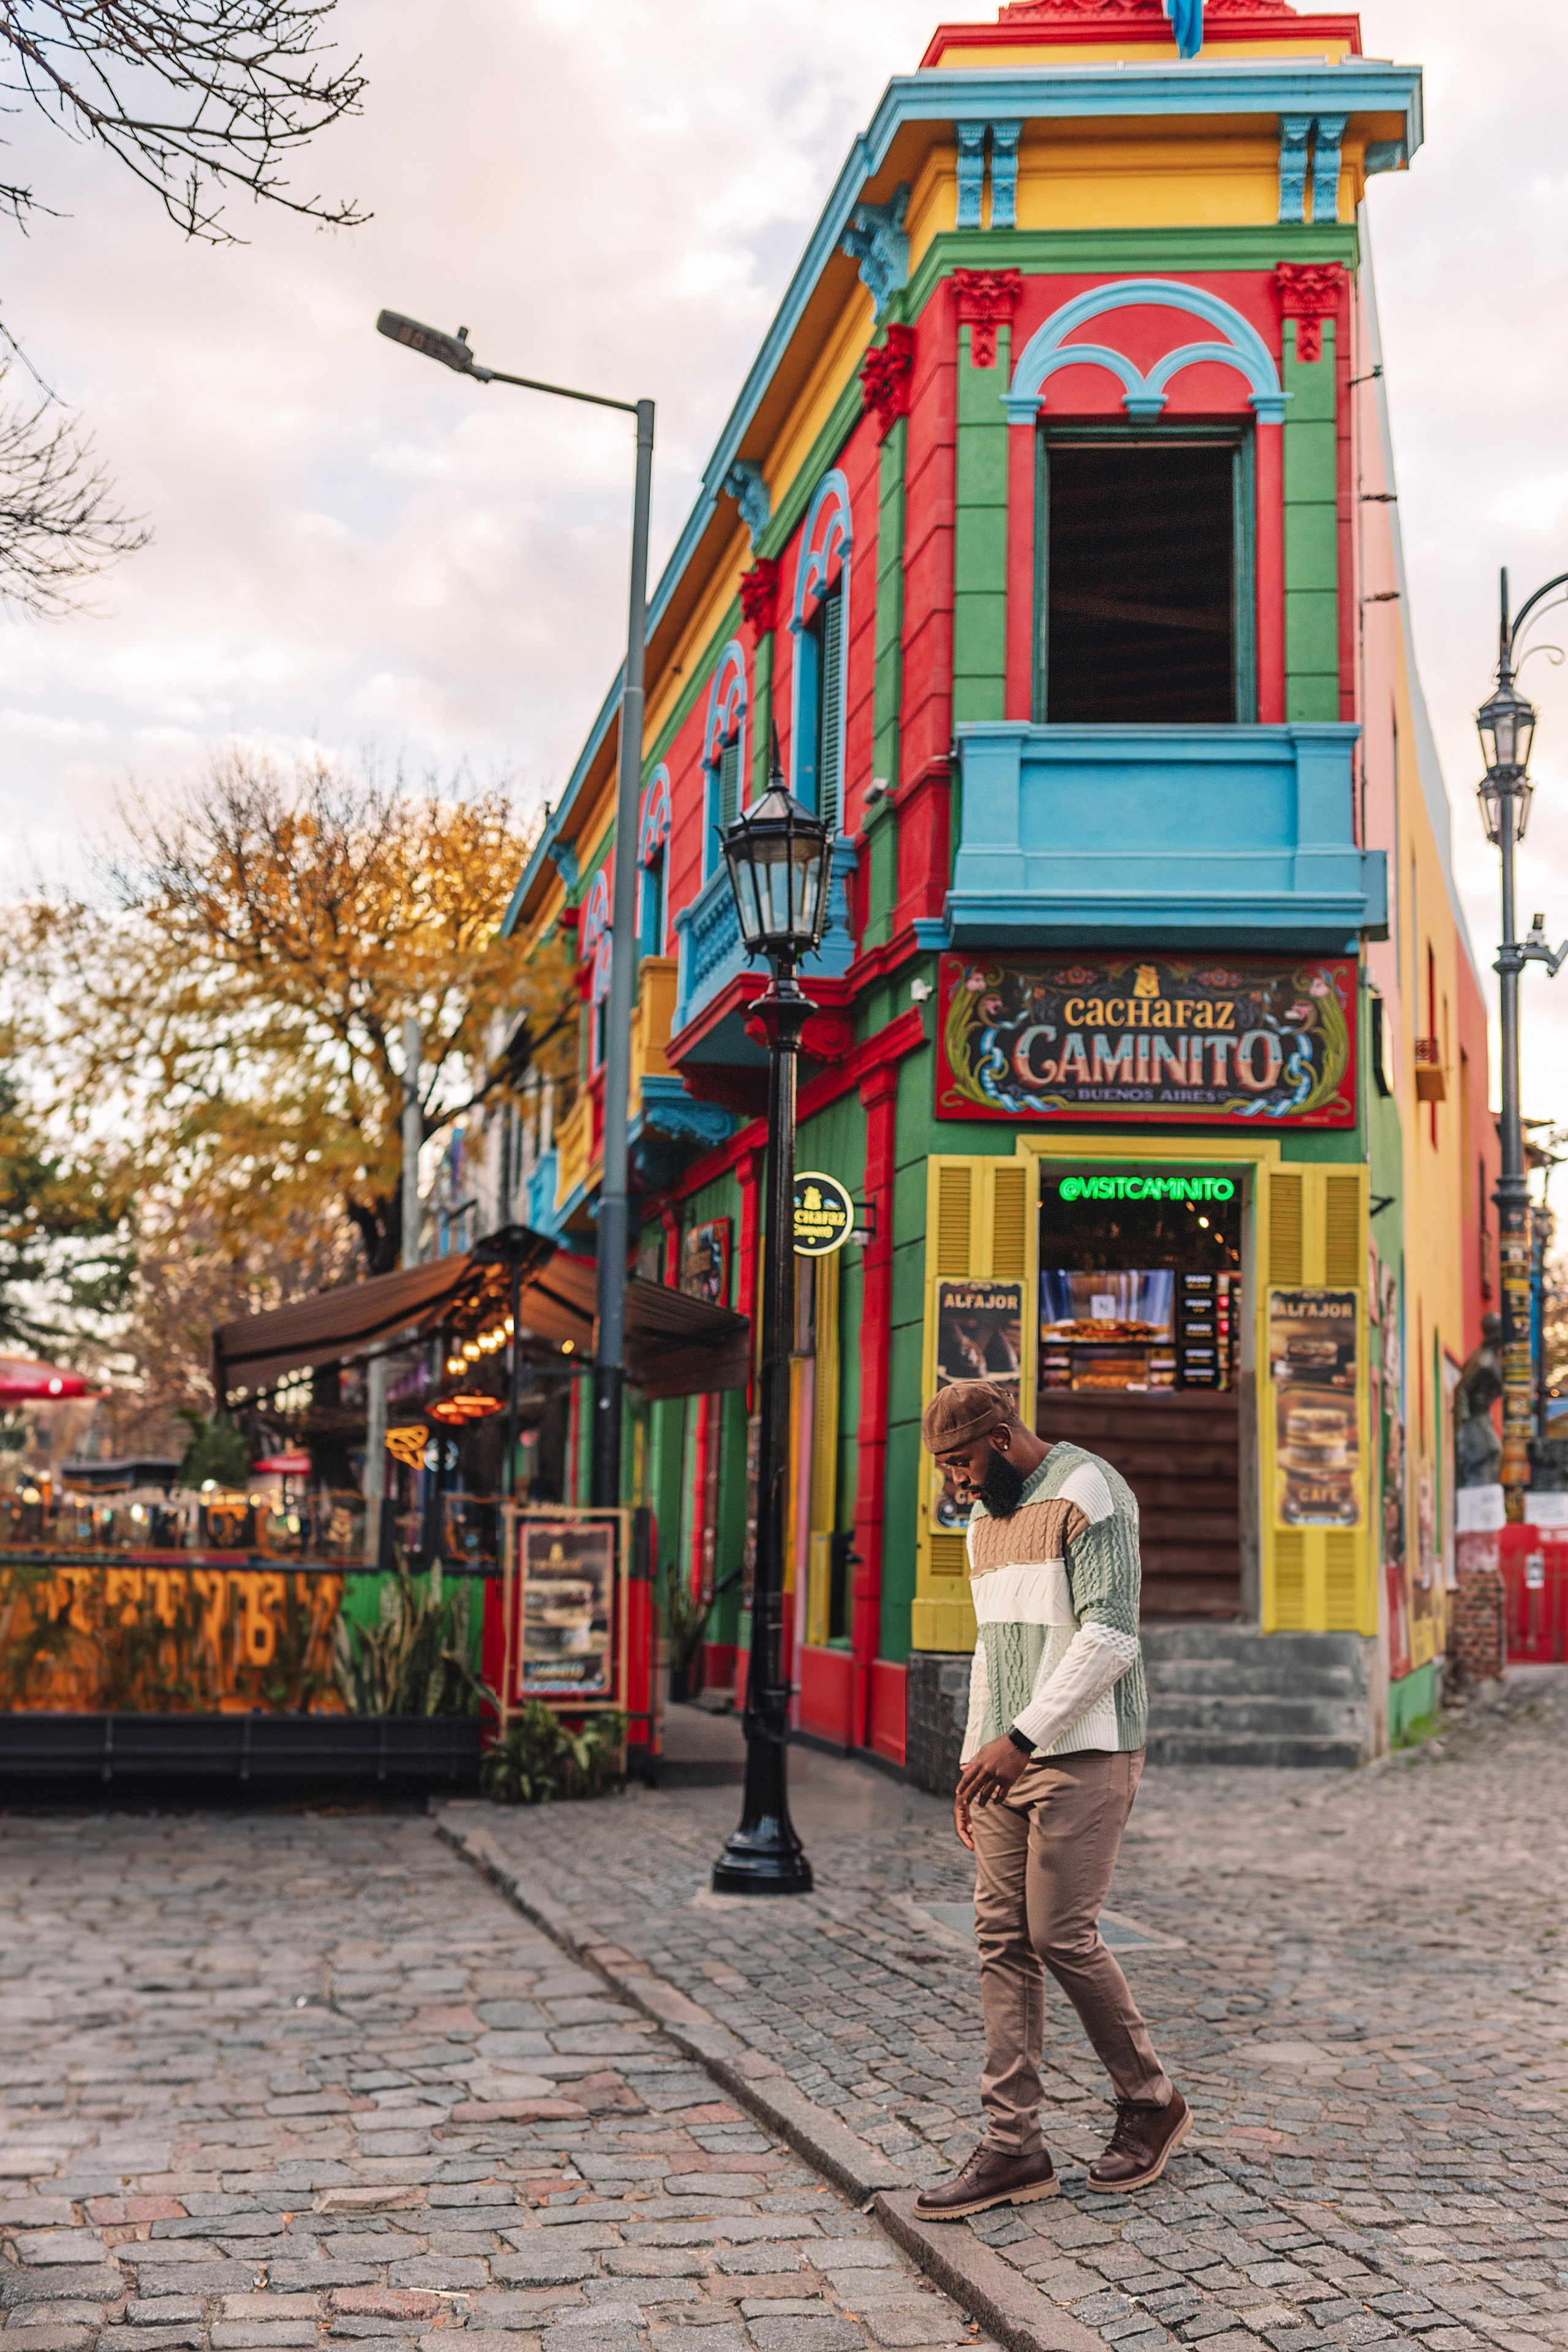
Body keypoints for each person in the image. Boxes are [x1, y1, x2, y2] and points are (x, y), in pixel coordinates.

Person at [913, 1378, 1189, 2219]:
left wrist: (1021, 1739)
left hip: (1085, 1748)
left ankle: (1150, 2101)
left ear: (1001, 1438)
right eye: (947, 1470)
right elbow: (993, 1650)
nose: (957, 1483)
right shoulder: (983, 1524)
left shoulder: (1090, 1489)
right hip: (1005, 1757)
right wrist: (973, 1764)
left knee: (1060, 1933)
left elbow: (1109, 1638)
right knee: (1000, 1939)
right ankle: (1013, 2147)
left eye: (962, 1463)